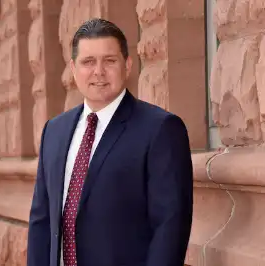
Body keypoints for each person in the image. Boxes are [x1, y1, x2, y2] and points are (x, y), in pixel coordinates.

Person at [27, 18, 193, 266]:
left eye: (110, 61)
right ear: (73, 69)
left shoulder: (160, 129)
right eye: (88, 62)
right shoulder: (54, 131)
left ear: (127, 65)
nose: (98, 72)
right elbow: (41, 219)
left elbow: (170, 225)